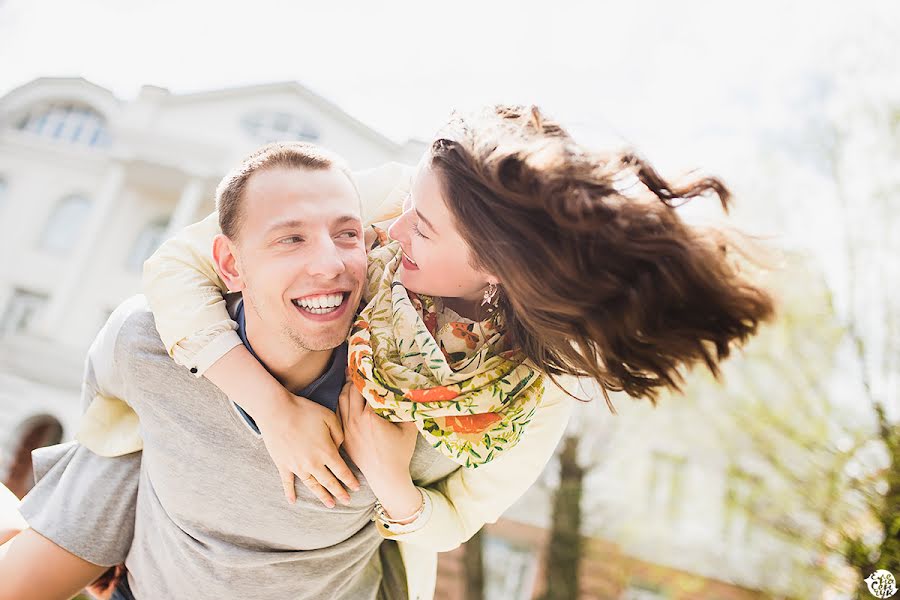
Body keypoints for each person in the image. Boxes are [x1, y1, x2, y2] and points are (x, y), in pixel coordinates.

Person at [1, 105, 774, 599]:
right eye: (404, 210)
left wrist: (389, 476)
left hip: (325, 560)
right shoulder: (400, 201)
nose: (385, 231)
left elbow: (453, 522)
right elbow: (182, 267)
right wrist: (270, 410)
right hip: (196, 443)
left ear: (498, 275)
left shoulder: (532, 400)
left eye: (421, 230)